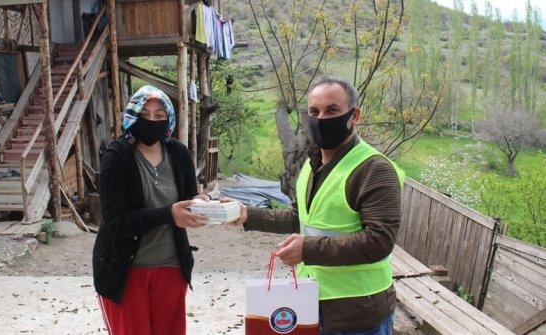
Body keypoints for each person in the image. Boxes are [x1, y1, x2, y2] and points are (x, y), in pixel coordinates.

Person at [234, 76, 405, 335]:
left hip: (358, 316)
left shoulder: (374, 169)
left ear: (354, 115)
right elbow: (300, 218)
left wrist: (308, 249)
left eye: (332, 110)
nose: (321, 119)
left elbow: (379, 241)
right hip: (311, 306)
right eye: (314, 111)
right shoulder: (313, 164)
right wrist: (246, 214)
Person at [92, 85, 209, 335]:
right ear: (132, 116)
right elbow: (116, 221)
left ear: (169, 118)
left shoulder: (178, 153)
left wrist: (203, 203)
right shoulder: (117, 157)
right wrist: (169, 214)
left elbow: (189, 196)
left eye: (159, 115)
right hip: (125, 271)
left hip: (171, 267)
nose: (151, 121)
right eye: (144, 115)